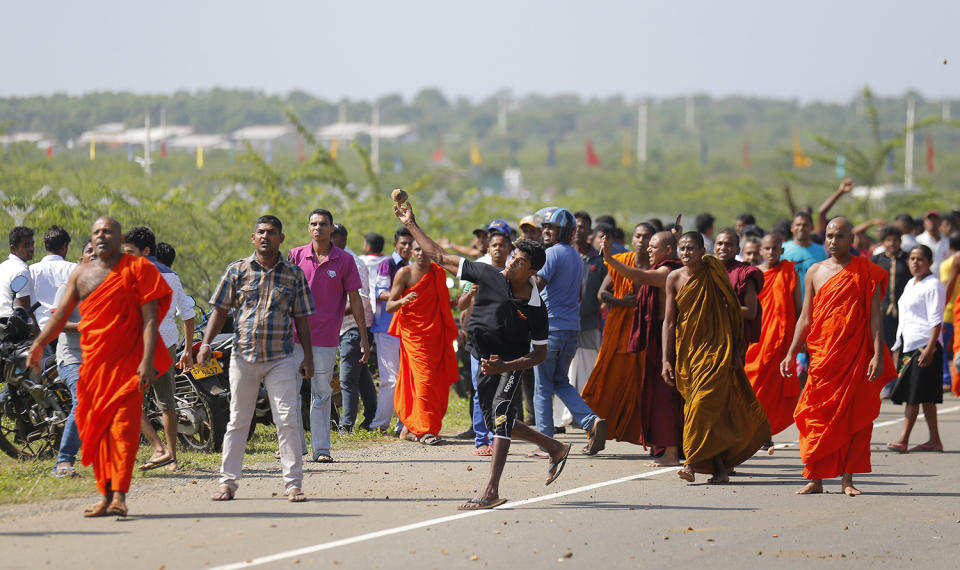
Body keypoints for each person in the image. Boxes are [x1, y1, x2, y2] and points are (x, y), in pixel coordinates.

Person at [394, 200, 571, 510]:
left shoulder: (535, 307)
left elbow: (540, 355)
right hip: (483, 359)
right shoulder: (490, 275)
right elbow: (439, 256)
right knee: (498, 422)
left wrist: (507, 365)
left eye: (518, 260)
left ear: (531, 270)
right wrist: (410, 223)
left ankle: (490, 490)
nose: (511, 262)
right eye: (512, 255)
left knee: (501, 418)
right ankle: (554, 446)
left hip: (511, 363)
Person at [27, 217, 172, 518]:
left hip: (129, 364)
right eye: (96, 232)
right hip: (93, 366)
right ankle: (105, 495)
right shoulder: (81, 273)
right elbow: (59, 316)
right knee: (100, 431)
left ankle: (119, 494)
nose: (102, 236)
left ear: (119, 239)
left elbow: (149, 318)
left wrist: (146, 361)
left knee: (123, 430)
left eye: (108, 231)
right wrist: (40, 343)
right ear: (90, 239)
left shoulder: (138, 269)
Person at [199, 215, 315, 502]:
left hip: (281, 358)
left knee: (287, 419)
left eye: (272, 232)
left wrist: (308, 357)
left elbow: (302, 318)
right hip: (243, 357)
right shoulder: (236, 271)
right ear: (253, 238)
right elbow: (220, 311)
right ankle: (227, 483)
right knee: (238, 419)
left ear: (281, 238)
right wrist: (204, 344)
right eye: (261, 232)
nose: (266, 236)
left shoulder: (293, 274)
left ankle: (293, 484)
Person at [781, 217, 897, 496]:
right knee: (814, 414)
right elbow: (805, 317)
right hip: (822, 356)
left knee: (851, 415)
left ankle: (848, 479)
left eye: (840, 236)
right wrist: (791, 351)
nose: (834, 241)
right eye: (830, 236)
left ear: (851, 240)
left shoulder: (865, 271)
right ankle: (815, 477)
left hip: (854, 355)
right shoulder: (814, 271)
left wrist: (878, 354)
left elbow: (874, 318)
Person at [663, 232, 770, 484]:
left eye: (691, 248)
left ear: (703, 251)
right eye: (682, 248)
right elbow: (669, 321)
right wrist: (666, 359)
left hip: (717, 350)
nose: (686, 253)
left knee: (702, 404)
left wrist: (735, 352)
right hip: (688, 352)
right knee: (705, 409)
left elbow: (734, 313)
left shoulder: (714, 274)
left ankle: (690, 462)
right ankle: (720, 467)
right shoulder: (673, 278)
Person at [288, 209, 368, 462]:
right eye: (313, 224)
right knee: (290, 393)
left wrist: (363, 336)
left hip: (325, 337)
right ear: (308, 227)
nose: (318, 228)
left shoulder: (344, 260)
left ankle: (321, 449)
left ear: (331, 228)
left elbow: (355, 299)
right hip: (294, 336)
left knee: (321, 394)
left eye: (323, 224)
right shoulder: (296, 255)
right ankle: (294, 446)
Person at [604, 230, 685, 466]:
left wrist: (610, 259)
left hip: (667, 340)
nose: (648, 250)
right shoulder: (668, 266)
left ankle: (670, 453)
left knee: (666, 396)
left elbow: (640, 276)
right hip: (657, 338)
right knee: (658, 395)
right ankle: (668, 450)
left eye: (653, 246)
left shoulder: (668, 271)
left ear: (668, 250)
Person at [533, 207, 606, 455]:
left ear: (560, 232)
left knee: (542, 387)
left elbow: (537, 285)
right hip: (570, 330)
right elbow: (580, 295)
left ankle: (546, 442)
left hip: (549, 329)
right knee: (561, 382)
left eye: (549, 228)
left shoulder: (551, 254)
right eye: (545, 227)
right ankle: (590, 420)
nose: (545, 231)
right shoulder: (576, 256)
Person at [123, 227, 196, 472]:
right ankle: (172, 458)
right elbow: (188, 314)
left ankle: (153, 450)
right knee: (167, 405)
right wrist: (187, 349)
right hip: (168, 343)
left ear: (144, 251)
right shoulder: (171, 275)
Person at [581, 223, 654, 445]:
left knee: (643, 384)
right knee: (607, 379)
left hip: (646, 332)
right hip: (619, 330)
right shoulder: (622, 260)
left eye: (646, 237)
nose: (641, 240)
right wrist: (622, 302)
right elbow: (602, 294)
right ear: (633, 239)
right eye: (638, 236)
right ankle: (597, 431)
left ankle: (646, 435)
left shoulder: (659, 266)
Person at [386, 240, 459, 444]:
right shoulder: (405, 273)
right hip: (415, 337)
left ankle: (411, 428)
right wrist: (402, 301)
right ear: (410, 251)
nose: (421, 254)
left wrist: (463, 299)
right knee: (423, 381)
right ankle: (424, 430)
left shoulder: (438, 273)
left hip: (436, 336)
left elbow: (443, 304)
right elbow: (390, 305)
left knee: (436, 384)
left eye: (425, 250)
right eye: (417, 249)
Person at [458, 229, 513, 455]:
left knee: (501, 391)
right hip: (478, 340)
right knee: (479, 388)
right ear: (487, 249)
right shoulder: (477, 272)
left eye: (502, 245)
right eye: (494, 245)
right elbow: (460, 305)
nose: (498, 249)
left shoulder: (513, 275)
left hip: (504, 340)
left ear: (509, 249)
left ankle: (496, 436)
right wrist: (471, 294)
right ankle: (481, 439)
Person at [886, 245, 946, 452]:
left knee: (913, 396)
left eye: (920, 259)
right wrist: (897, 346)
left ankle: (903, 439)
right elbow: (905, 319)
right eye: (912, 258)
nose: (915, 262)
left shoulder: (933, 285)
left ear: (930, 262)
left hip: (924, 346)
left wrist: (930, 348)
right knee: (926, 397)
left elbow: (936, 320)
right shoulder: (911, 283)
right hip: (910, 345)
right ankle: (935, 440)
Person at [744, 234, 801, 439]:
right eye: (767, 249)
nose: (771, 252)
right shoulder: (752, 274)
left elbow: (798, 307)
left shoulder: (788, 272)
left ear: (782, 251)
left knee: (771, 391)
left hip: (779, 341)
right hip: (756, 339)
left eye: (775, 248)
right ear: (761, 251)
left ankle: (765, 431)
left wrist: (798, 339)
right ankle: (752, 428)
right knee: (752, 384)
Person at [557, 212, 607, 428]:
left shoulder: (598, 260)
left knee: (587, 373)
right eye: (576, 227)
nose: (580, 231)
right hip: (563, 325)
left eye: (584, 227)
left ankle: (586, 419)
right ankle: (559, 419)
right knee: (561, 373)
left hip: (587, 325)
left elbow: (600, 293)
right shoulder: (560, 256)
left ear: (590, 231)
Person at [50, 240, 95, 479]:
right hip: (72, 357)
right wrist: (82, 325)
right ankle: (63, 463)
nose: (96, 256)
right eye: (90, 252)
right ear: (82, 259)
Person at [331, 223, 378, 432]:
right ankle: (371, 418)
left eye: (333, 237)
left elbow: (364, 300)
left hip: (353, 328)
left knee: (347, 379)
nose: (329, 241)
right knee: (362, 375)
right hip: (342, 328)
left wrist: (333, 312)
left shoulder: (354, 263)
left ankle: (346, 426)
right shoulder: (335, 261)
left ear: (343, 238)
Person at [370, 228, 413, 433]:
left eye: (410, 244)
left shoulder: (412, 266)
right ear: (395, 244)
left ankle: (402, 424)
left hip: (405, 329)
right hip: (386, 328)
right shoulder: (387, 264)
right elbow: (380, 293)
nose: (406, 247)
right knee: (390, 379)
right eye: (403, 243)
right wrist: (403, 296)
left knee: (405, 378)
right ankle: (380, 424)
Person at [714, 228, 764, 345]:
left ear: (737, 250)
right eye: (720, 244)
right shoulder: (705, 270)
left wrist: (718, 308)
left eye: (728, 244)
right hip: (707, 335)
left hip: (734, 338)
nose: (723, 248)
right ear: (714, 247)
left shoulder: (745, 273)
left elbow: (751, 311)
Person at [871, 226, 911, 351]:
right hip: (883, 311)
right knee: (884, 346)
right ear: (883, 242)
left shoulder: (909, 259)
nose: (892, 243)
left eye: (895, 240)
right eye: (888, 240)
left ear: (900, 241)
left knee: (904, 347)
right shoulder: (876, 260)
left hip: (905, 311)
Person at [29, 225, 76, 331]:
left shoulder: (31, 270)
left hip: (40, 330)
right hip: (66, 332)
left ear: (46, 246)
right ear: (65, 246)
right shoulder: (73, 269)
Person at [782, 211, 827, 299]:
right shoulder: (782, 249)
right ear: (792, 227)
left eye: (805, 225)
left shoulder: (820, 251)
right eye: (798, 225)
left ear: (812, 228)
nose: (801, 228)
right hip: (789, 306)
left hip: (813, 306)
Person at [0, 226, 35, 318]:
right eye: (26, 245)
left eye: (32, 244)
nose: (31, 249)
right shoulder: (21, 272)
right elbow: (24, 310)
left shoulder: (3, 266)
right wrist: (39, 332)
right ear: (13, 249)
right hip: (13, 327)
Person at [917, 211, 949, 275]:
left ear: (940, 222)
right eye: (929, 219)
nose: (932, 222)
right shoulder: (918, 241)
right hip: (926, 280)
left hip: (945, 281)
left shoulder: (947, 241)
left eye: (935, 219)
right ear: (924, 223)